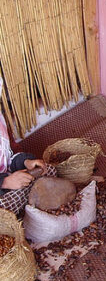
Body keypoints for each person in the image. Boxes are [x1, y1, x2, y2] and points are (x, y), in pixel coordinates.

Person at [0, 76, 56, 215]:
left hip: (8, 177)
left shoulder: (1, 123)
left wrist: (26, 162)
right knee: (5, 207)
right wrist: (5, 182)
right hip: (3, 184)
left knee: (48, 170)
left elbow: (10, 155)